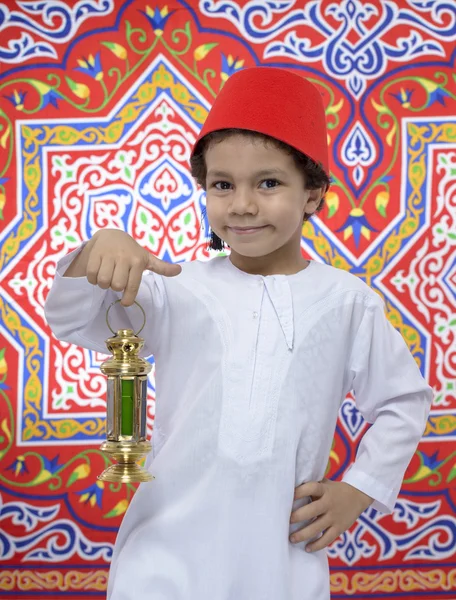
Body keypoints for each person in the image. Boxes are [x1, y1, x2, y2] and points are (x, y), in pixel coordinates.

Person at [44, 67, 433, 600]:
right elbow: (73, 319)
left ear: (313, 195)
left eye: (268, 183)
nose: (243, 204)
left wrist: (360, 488)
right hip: (165, 551)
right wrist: (99, 247)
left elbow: (403, 401)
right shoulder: (174, 288)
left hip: (281, 555)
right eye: (222, 185)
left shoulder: (348, 302)